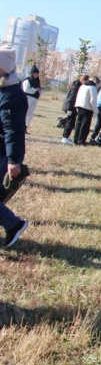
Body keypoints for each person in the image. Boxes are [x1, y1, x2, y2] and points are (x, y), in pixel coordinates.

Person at [0, 45, 29, 248]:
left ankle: (14, 224)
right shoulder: (4, 88)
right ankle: (13, 224)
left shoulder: (12, 95)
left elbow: (12, 130)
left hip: (3, 153)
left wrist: (13, 160)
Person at [72, 75, 97, 145]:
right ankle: (81, 141)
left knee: (78, 124)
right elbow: (93, 101)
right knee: (85, 126)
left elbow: (78, 96)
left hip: (79, 106)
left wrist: (76, 105)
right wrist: (95, 111)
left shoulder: (82, 86)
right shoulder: (92, 87)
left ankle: (75, 139)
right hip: (87, 108)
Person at [21, 65, 41, 131]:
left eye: (37, 74)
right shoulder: (27, 80)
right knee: (25, 112)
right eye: (35, 73)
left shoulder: (37, 81)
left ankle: (26, 127)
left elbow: (39, 89)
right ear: (32, 73)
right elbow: (26, 90)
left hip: (35, 99)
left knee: (30, 114)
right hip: (28, 98)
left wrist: (40, 91)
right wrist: (35, 90)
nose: (36, 75)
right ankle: (22, 126)